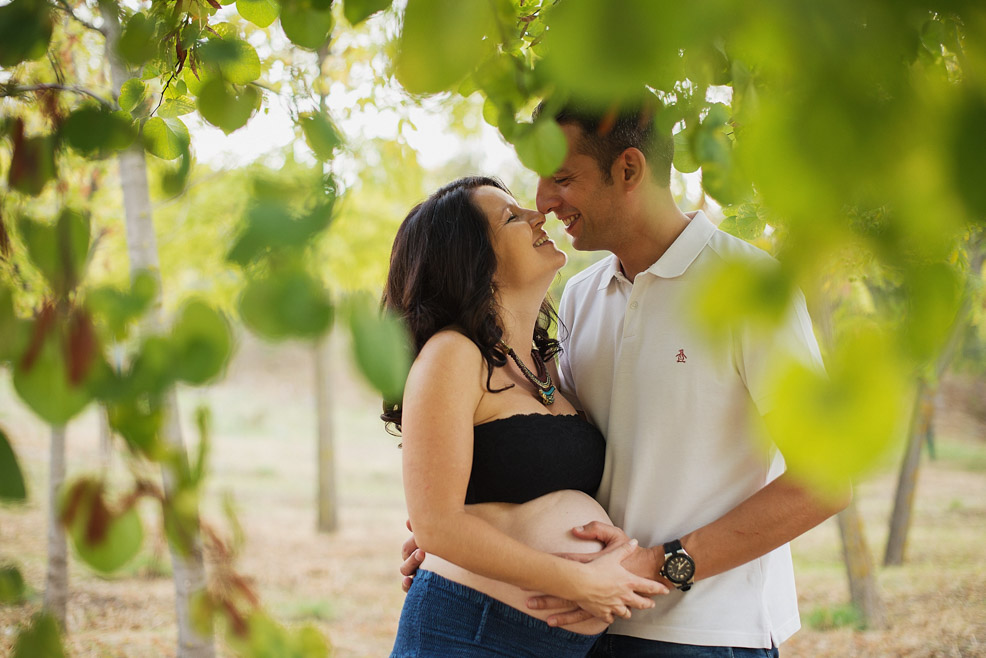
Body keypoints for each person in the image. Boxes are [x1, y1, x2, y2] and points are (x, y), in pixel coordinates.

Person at [401, 100, 851, 657]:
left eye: (562, 179)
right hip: (586, 632)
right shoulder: (582, 297)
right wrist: (457, 538)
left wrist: (662, 564)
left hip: (705, 633)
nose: (542, 203)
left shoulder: (751, 288)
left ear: (630, 170)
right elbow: (535, 452)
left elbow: (826, 481)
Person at [383, 176, 667, 658]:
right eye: (512, 217)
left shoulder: (544, 366)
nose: (538, 215)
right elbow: (437, 525)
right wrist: (579, 580)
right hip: (468, 633)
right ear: (473, 260)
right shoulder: (452, 355)